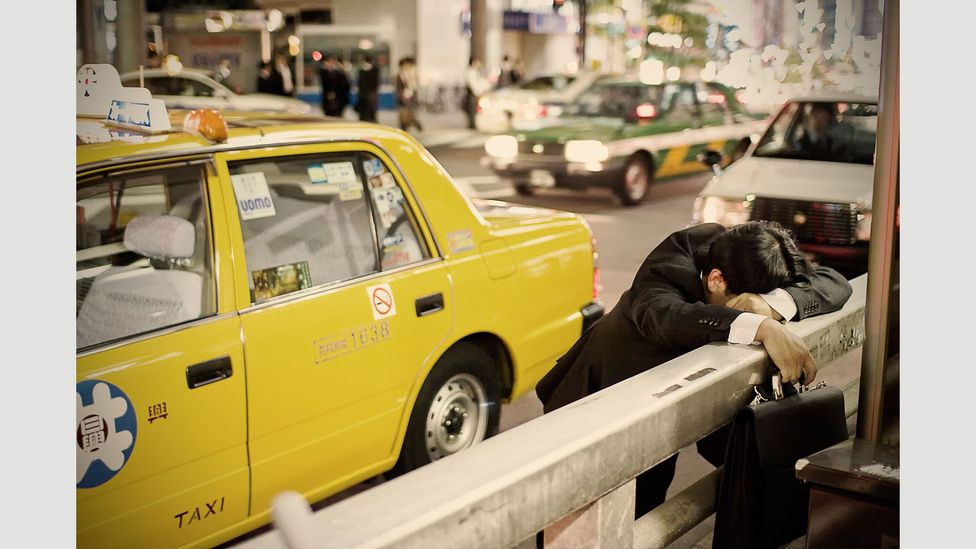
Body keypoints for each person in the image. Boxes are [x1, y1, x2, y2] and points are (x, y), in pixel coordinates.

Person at [535, 221, 853, 519]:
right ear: (715, 279)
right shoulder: (669, 267)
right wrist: (763, 327)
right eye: (741, 301)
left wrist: (773, 305)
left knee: (643, 507)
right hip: (590, 408)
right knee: (578, 524)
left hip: (657, 408)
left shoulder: (761, 253)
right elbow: (666, 316)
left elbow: (835, 282)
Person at [395, 57, 423, 132]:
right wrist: (401, 95)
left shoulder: (413, 74)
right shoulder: (400, 75)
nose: (406, 66)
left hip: (411, 97)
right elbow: (398, 88)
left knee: (411, 113)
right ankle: (404, 127)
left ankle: (416, 126)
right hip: (403, 98)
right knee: (403, 114)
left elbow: (415, 86)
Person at [464, 57, 491, 129]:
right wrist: (479, 92)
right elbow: (473, 85)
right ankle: (472, 125)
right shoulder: (471, 72)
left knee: (475, 110)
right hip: (472, 94)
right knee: (472, 110)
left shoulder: (476, 72)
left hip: (476, 93)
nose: (479, 64)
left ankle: (473, 125)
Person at [355, 55, 380, 122]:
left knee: (369, 111)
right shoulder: (364, 70)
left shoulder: (372, 70)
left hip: (367, 94)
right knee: (367, 111)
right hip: (368, 94)